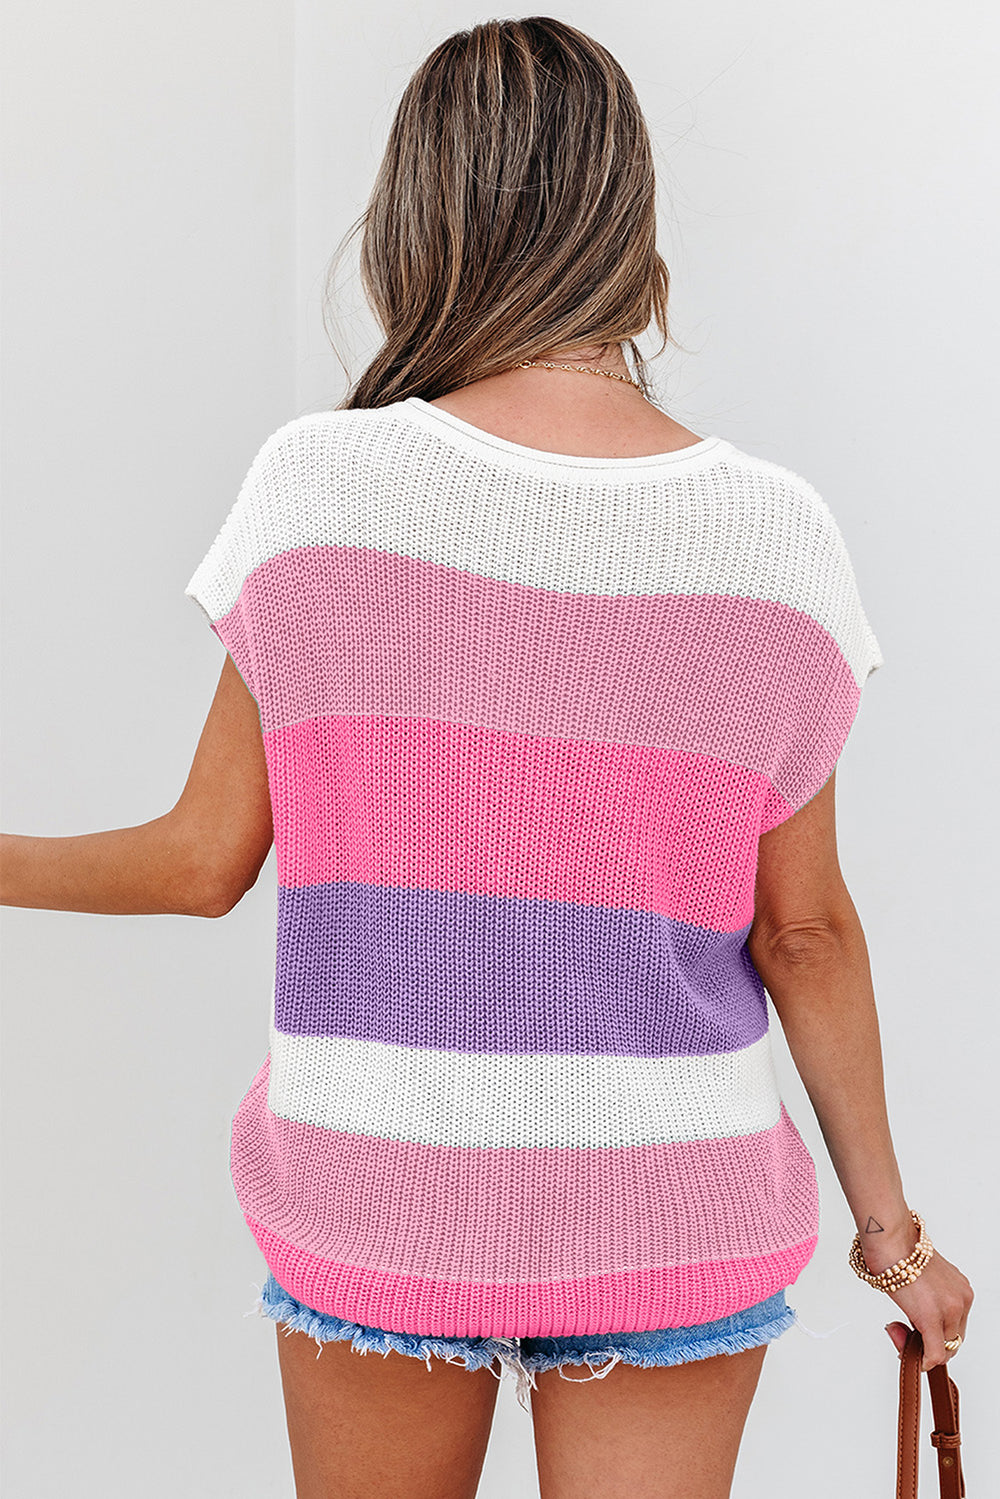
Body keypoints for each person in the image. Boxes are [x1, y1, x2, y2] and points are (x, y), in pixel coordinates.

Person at [1, 16, 974, 1499]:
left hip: (384, 1186)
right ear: (627, 225)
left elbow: (202, 863)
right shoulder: (775, 536)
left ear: (419, 219)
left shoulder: (320, 492)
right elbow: (805, 932)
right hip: (666, 1201)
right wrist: (894, 1241)